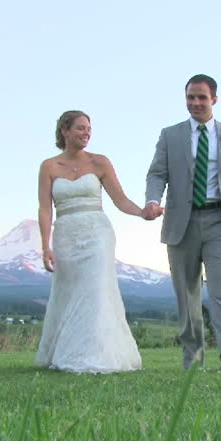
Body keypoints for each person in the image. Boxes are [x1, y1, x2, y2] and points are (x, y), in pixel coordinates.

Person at [143, 74, 221, 371]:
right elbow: (157, 174)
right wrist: (153, 200)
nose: (195, 103)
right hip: (182, 222)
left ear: (214, 99)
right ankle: (194, 359)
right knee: (187, 293)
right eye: (190, 97)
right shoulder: (170, 135)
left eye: (202, 97)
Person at [35, 110, 148, 373]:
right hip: (66, 234)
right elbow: (44, 209)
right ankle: (63, 350)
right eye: (80, 128)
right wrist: (45, 245)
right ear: (65, 130)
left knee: (95, 290)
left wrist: (142, 212)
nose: (86, 133)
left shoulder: (100, 163)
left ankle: (94, 356)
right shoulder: (49, 166)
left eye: (89, 129)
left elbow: (120, 200)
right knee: (69, 292)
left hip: (98, 233)